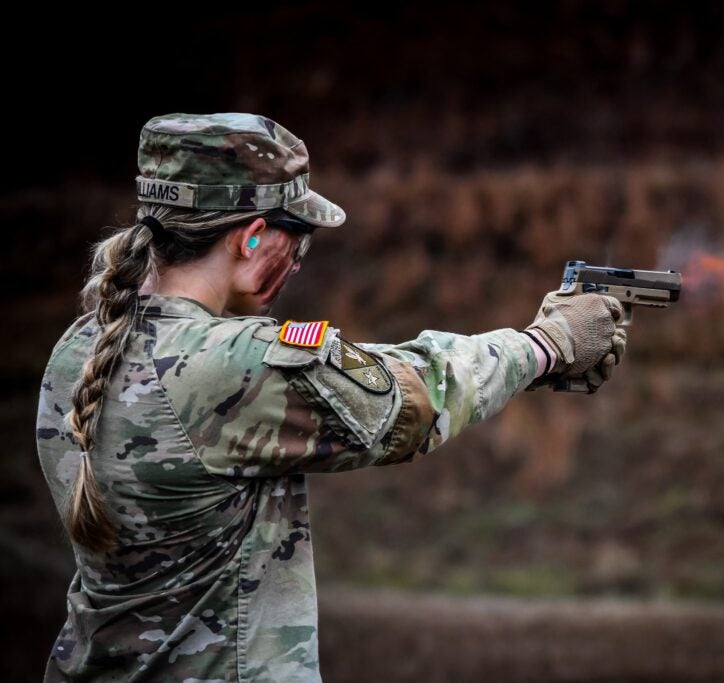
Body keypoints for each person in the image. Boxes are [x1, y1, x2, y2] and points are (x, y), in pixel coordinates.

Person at [35, 112, 627, 682]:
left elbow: (342, 375)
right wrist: (547, 345)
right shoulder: (226, 364)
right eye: (299, 242)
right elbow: (410, 400)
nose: (295, 263)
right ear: (253, 237)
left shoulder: (82, 347)